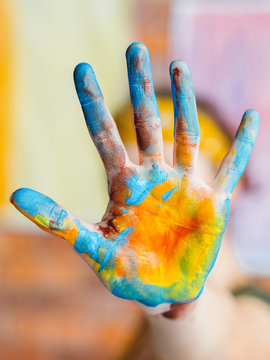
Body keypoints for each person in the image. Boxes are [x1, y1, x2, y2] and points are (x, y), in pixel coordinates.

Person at [10, 42, 270, 360]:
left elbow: (216, 344)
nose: (147, 198)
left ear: (233, 179)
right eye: (131, 178)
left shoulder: (256, 315)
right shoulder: (148, 310)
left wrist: (179, 308)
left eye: (171, 161)